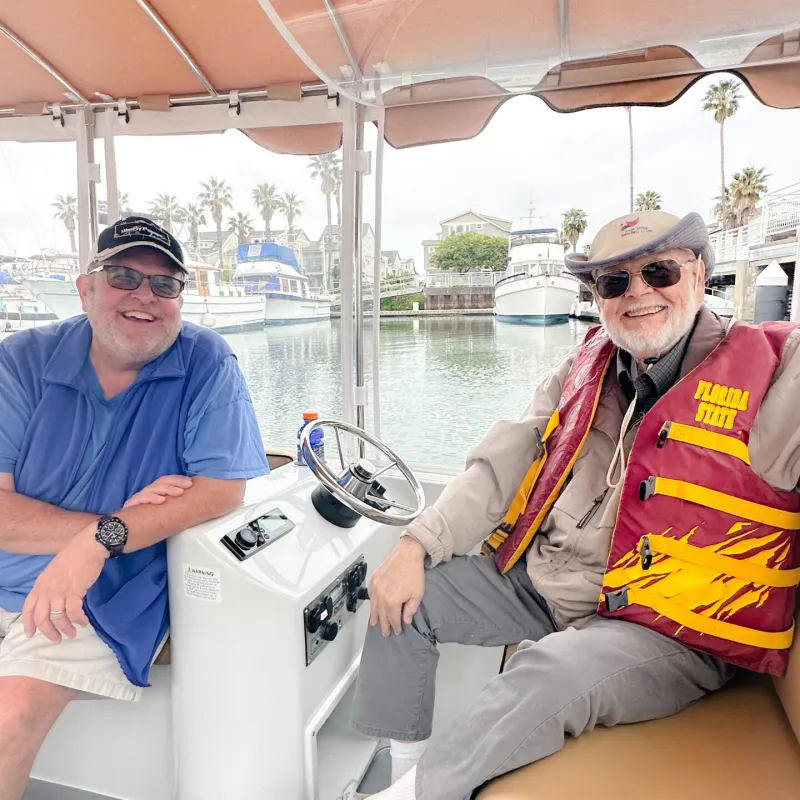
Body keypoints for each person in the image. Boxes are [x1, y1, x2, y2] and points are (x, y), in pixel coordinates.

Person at [346, 211, 800, 800]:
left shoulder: (775, 376)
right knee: (403, 596)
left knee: (550, 668)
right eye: (613, 283)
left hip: (665, 627)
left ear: (700, 274)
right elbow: (502, 464)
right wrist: (414, 544)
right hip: (550, 581)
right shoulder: (584, 367)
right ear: (598, 298)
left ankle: (414, 796)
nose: (637, 293)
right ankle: (405, 765)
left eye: (658, 271)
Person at [0, 217, 268, 800]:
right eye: (124, 275)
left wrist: (101, 545)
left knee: (7, 719)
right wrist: (100, 531)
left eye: (165, 284)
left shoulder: (206, 361)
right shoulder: (19, 361)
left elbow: (222, 490)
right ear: (85, 287)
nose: (145, 296)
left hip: (109, 592)